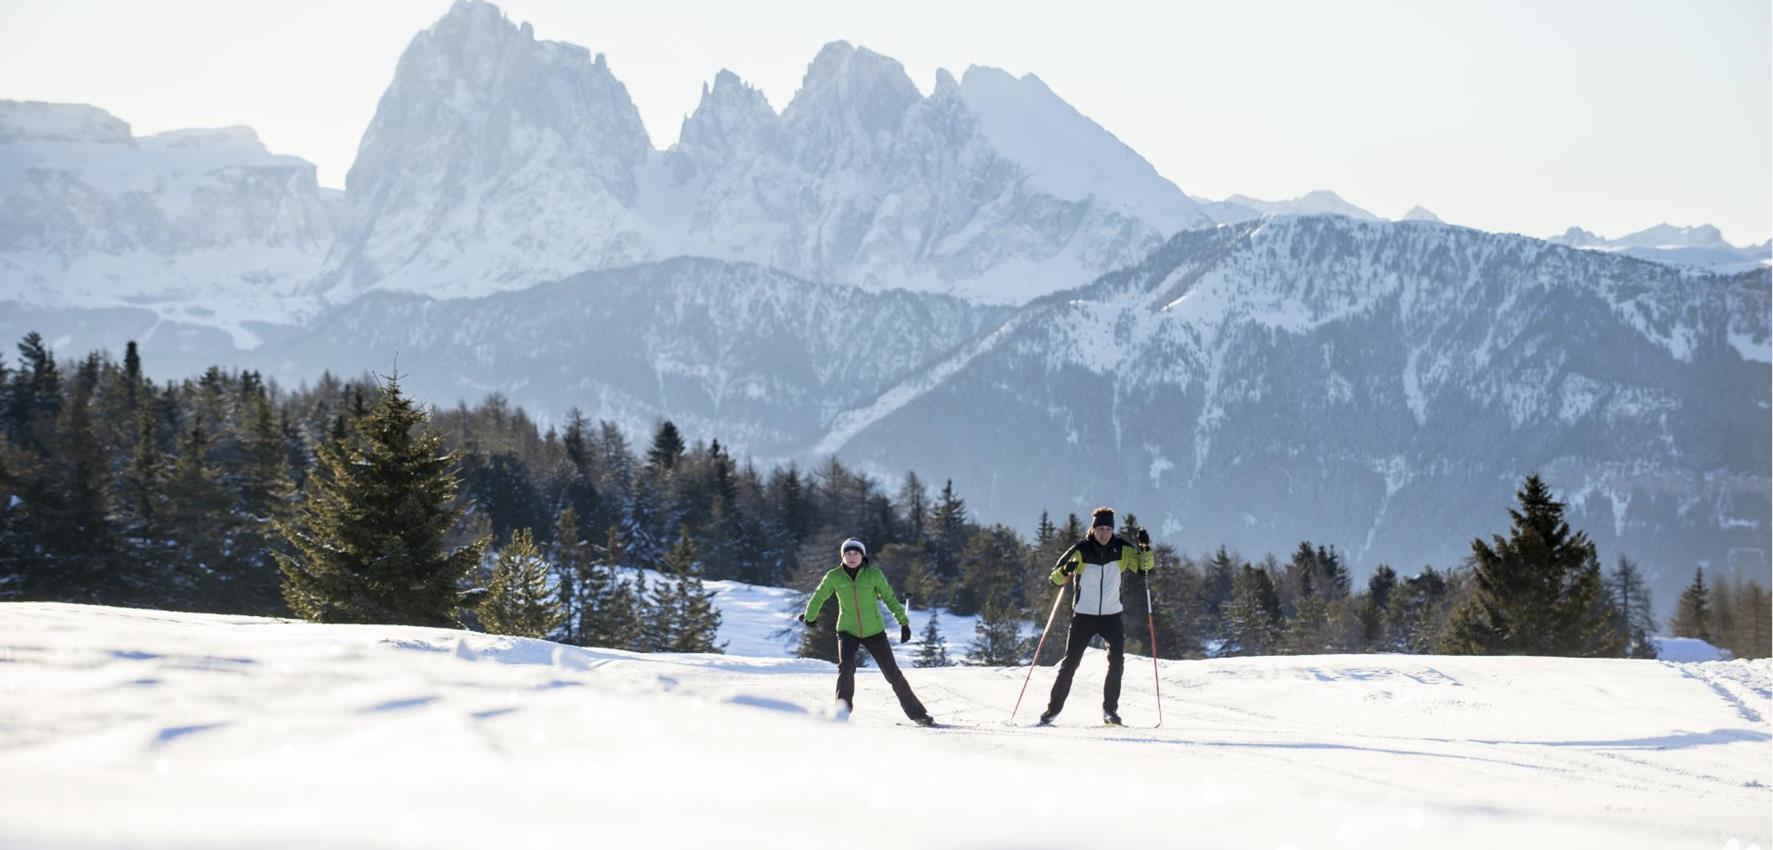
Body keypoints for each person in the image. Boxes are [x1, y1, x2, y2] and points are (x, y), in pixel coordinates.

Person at [1040, 506, 1154, 726]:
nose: (1104, 533)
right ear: (1092, 529)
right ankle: (1052, 711)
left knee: (1117, 662)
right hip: (1084, 616)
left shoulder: (1122, 549)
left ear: (1113, 530)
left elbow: (1145, 570)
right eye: (1100, 528)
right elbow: (1053, 579)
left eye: (1108, 529)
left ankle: (1110, 711)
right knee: (1070, 664)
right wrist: (1065, 571)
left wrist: (1145, 547)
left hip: (1112, 617)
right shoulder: (1081, 550)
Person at [803, 538, 934, 726]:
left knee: (892, 674)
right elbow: (819, 595)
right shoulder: (834, 576)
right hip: (847, 630)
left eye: (856, 553)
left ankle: (918, 714)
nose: (852, 557)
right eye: (848, 553)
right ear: (843, 556)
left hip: (874, 631)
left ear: (862, 555)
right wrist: (810, 616)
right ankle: (842, 712)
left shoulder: (874, 575)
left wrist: (903, 623)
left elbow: (889, 598)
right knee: (846, 668)